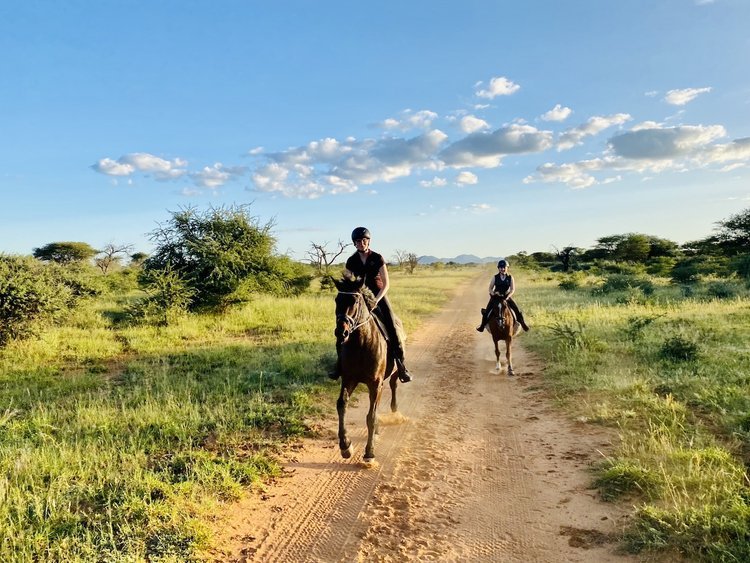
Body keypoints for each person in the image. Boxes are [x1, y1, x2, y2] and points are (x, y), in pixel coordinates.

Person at [330, 227, 413, 383]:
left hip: (378, 297)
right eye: (358, 241)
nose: (361, 243)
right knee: (341, 327)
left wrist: (375, 300)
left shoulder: (378, 258)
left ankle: (401, 367)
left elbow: (386, 284)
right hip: (359, 300)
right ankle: (339, 366)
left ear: (368, 241)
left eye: (364, 240)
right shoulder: (351, 261)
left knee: (392, 328)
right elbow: (348, 281)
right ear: (354, 244)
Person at [476, 259, 530, 333]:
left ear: (507, 268)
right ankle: (482, 326)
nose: (503, 269)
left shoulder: (510, 277)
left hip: (506, 296)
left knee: (516, 309)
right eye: (501, 267)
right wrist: (493, 294)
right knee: (487, 311)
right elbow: (490, 288)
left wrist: (508, 296)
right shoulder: (495, 277)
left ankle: (523, 324)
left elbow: (512, 289)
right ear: (498, 268)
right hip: (496, 297)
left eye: (504, 267)